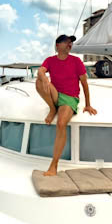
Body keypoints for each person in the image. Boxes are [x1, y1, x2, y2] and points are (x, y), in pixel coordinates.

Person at [36, 34, 97, 176]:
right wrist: (44, 78)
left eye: (70, 43)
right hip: (56, 94)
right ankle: (52, 109)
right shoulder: (50, 60)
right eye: (66, 42)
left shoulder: (76, 61)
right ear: (57, 45)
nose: (69, 44)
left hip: (69, 98)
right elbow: (41, 71)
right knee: (39, 80)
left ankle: (53, 165)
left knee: (61, 123)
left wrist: (87, 104)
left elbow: (84, 83)